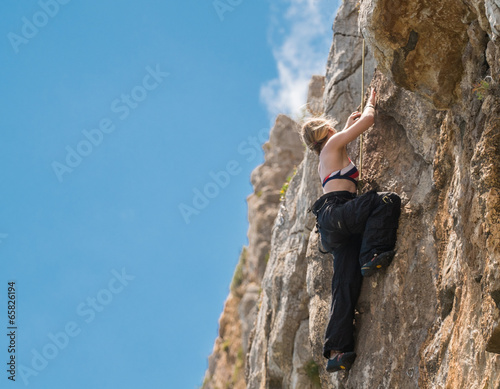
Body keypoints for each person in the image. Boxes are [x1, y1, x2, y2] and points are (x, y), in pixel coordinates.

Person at [301, 88, 401, 373]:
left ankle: (337, 351)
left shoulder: (328, 152)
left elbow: (342, 143)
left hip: (334, 225)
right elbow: (368, 121)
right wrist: (371, 102)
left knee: (344, 282)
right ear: (327, 130)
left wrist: (346, 126)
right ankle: (371, 255)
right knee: (385, 201)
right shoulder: (333, 144)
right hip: (338, 212)